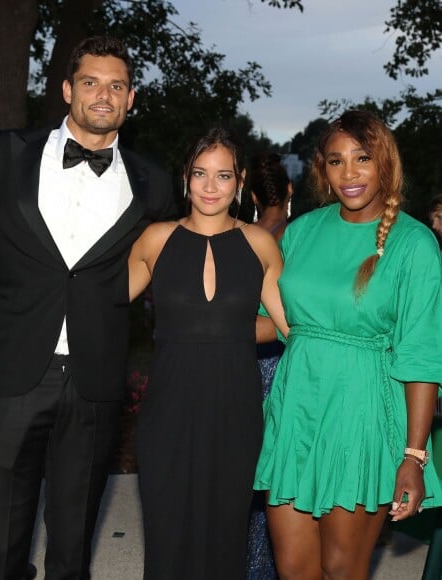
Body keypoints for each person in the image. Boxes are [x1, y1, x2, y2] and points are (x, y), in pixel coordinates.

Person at [0, 36, 176, 580]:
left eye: (116, 85)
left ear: (131, 99)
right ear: (66, 90)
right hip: (12, 371)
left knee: (74, 540)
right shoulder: (0, 155)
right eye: (90, 82)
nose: (103, 95)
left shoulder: (154, 182)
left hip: (94, 379)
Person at [254, 109, 442, 579]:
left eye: (362, 159)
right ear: (322, 168)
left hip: (360, 418)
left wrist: (413, 457)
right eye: (336, 161)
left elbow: (421, 355)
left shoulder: (414, 243)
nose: (350, 173)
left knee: (342, 569)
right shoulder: (301, 232)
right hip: (295, 411)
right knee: (294, 570)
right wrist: (197, 322)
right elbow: (269, 323)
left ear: (385, 164)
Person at [128, 127, 289, 580]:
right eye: (201, 174)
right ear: (186, 178)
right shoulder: (156, 238)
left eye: (222, 175)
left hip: (235, 407)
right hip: (168, 408)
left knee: (225, 531)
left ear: (239, 182)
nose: (211, 186)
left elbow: (289, 325)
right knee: (166, 528)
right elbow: (101, 304)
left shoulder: (260, 243)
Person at [246, 151, 292, 580]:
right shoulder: (300, 236)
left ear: (251, 194)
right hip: (286, 363)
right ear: (290, 190)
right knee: (278, 469)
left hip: (245, 362)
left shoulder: (241, 236)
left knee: (246, 466)